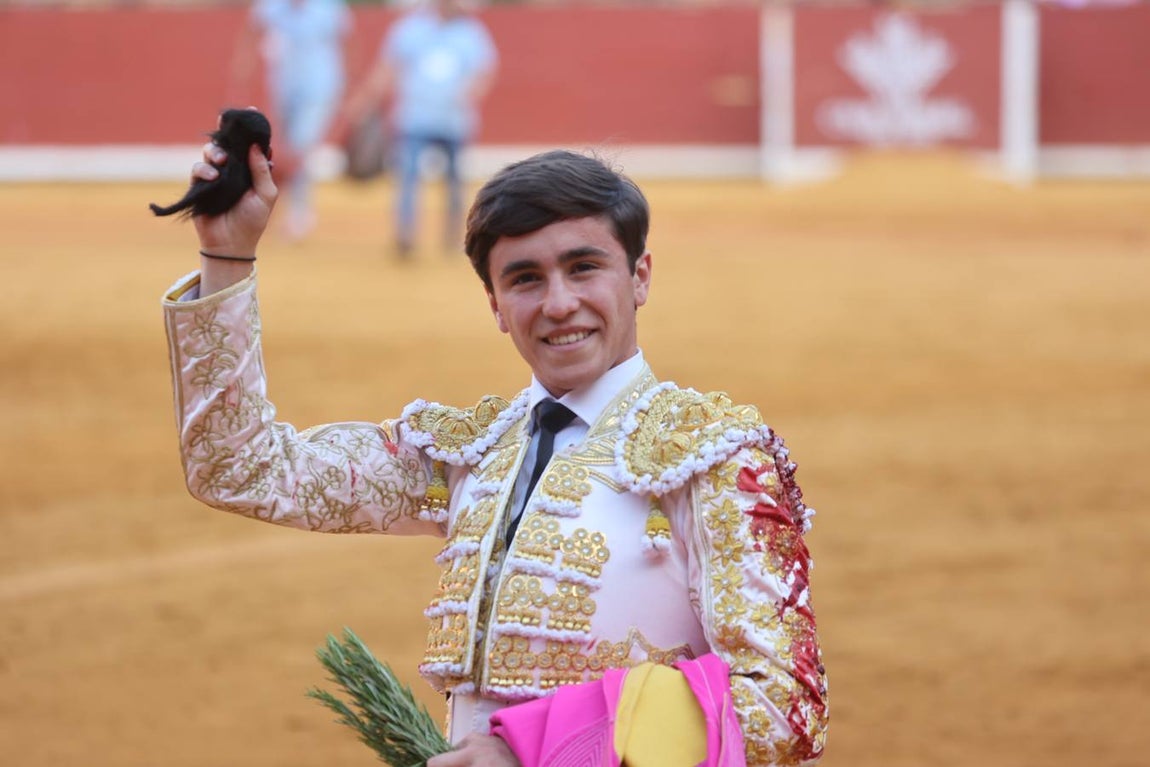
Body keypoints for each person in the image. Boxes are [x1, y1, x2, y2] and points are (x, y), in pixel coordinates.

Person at [162, 135, 829, 766]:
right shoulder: (469, 455)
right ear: (495, 302)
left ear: (641, 276)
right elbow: (242, 468)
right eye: (526, 279)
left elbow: (781, 704)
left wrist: (535, 747)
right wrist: (227, 257)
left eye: (584, 267)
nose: (560, 303)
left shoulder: (713, 458)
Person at [344, 0, 497, 258]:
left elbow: (484, 73)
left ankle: (456, 235)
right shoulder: (411, 29)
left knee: (453, 181)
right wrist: (364, 101)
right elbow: (388, 69)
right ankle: (406, 235)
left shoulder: (470, 32)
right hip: (415, 116)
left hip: (453, 120)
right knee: (409, 177)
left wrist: (470, 93)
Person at [231, 0, 352, 241]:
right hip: (283, 89)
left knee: (299, 148)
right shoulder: (272, 7)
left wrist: (345, 84)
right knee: (284, 151)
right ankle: (279, 206)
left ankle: (298, 212)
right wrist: (244, 65)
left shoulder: (329, 8)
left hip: (320, 88)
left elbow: (346, 44)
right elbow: (253, 31)